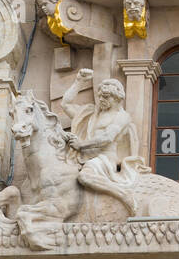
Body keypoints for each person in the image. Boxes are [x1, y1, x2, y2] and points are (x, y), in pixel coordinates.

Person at [62, 71, 149, 216]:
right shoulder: (92, 113)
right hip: (83, 158)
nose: (101, 99)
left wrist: (81, 145)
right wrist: (79, 81)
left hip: (105, 159)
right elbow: (65, 104)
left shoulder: (121, 117)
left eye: (106, 96)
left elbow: (107, 137)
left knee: (84, 176)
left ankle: (123, 194)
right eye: (100, 95)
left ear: (117, 98)